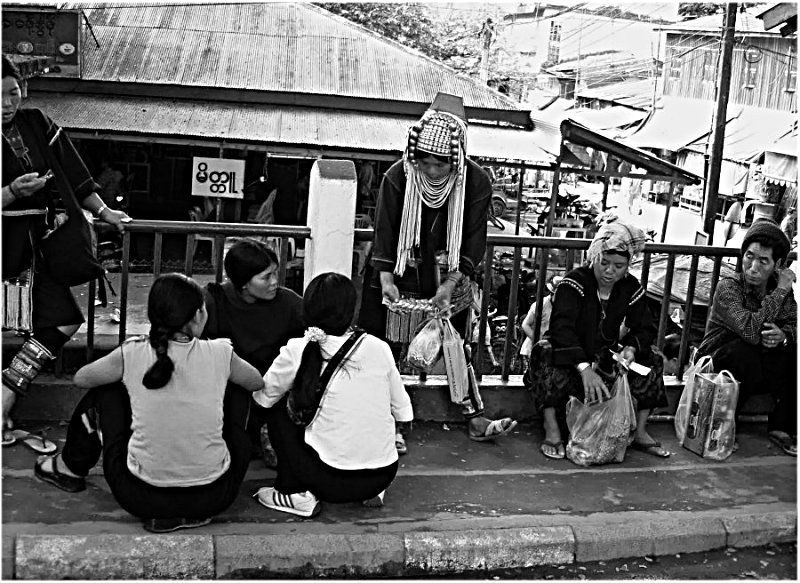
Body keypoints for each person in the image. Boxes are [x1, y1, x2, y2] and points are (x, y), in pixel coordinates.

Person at [33, 273, 265, 532]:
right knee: (239, 390)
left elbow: (82, 378)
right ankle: (192, 505)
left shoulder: (132, 353)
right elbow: (256, 382)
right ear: (199, 315)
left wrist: (127, 365)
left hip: (140, 497)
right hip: (215, 496)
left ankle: (69, 469)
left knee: (106, 391)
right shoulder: (221, 353)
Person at [358, 92, 516, 448]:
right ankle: (389, 424)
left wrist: (451, 284)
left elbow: (473, 241)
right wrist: (385, 278)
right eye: (425, 163)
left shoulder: (476, 182)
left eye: (440, 165)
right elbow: (384, 229)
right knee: (384, 351)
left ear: (456, 160)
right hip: (397, 271)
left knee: (453, 345)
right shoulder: (398, 175)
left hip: (451, 274)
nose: (431, 171)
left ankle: (474, 417)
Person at [2, 55, 130, 436]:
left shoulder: (36, 122)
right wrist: (10, 192)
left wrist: (105, 211)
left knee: (64, 318)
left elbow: (73, 173)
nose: (8, 103)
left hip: (34, 248)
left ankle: (7, 389)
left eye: (13, 92)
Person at [253, 273, 413, 517]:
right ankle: (370, 492)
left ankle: (293, 492)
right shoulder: (378, 347)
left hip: (328, 481)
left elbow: (264, 397)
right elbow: (403, 409)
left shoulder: (297, 348)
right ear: (352, 309)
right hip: (383, 475)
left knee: (278, 412)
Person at [526, 217, 670, 460]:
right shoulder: (574, 283)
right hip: (572, 360)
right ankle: (551, 431)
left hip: (606, 358)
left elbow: (644, 327)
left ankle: (641, 431)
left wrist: (631, 350)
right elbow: (561, 329)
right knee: (543, 351)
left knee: (653, 359)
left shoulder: (630, 287)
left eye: (619, 265)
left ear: (627, 265)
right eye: (604, 262)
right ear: (594, 257)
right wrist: (584, 369)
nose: (610, 271)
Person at [697, 218, 797, 457]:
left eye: (764, 261)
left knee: (791, 349)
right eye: (749, 257)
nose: (753, 267)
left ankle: (782, 427)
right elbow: (750, 331)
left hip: (758, 363)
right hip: (717, 363)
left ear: (778, 264)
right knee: (744, 351)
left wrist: (783, 336)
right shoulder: (729, 286)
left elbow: (793, 322)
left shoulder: (779, 288)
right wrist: (781, 290)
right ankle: (725, 424)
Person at [202, 238, 304, 463]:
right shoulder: (212, 301)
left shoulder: (288, 303)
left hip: (272, 390)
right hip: (226, 389)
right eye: (266, 277)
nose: (275, 282)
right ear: (243, 282)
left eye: (276, 273)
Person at [519, 275, 563, 360]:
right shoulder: (540, 305)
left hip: (552, 350)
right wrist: (537, 341)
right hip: (534, 349)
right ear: (552, 292)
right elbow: (525, 324)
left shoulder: (564, 307)